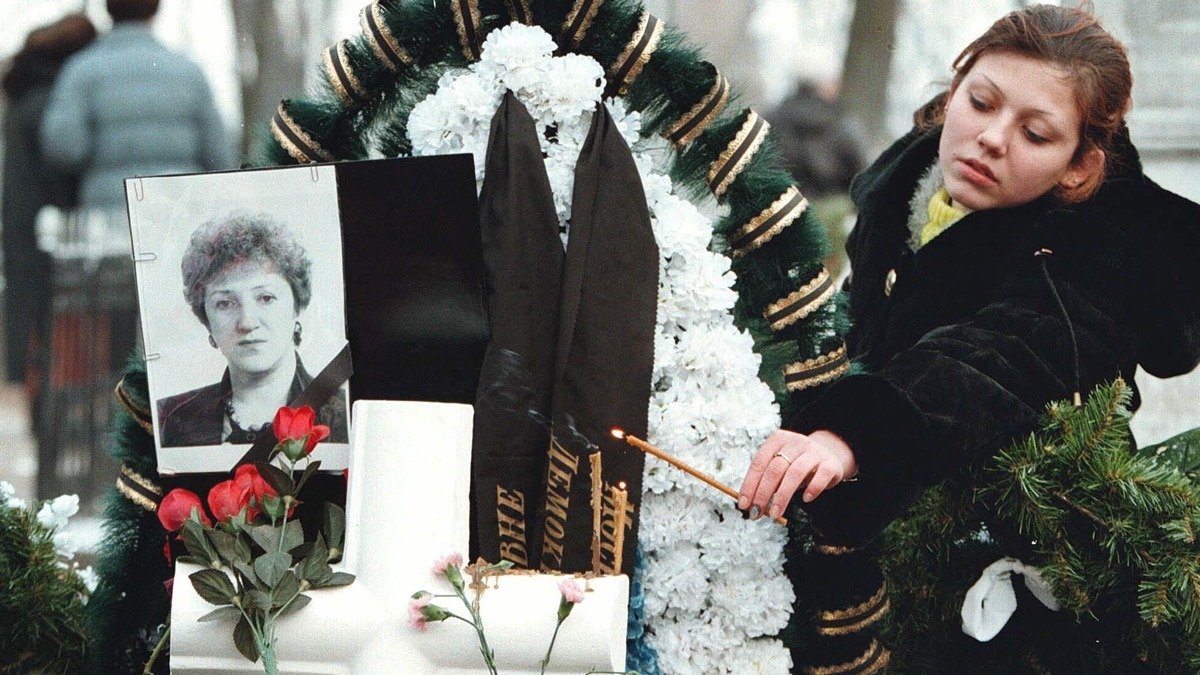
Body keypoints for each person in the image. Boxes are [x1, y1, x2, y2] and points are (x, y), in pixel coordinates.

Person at [738, 5, 1200, 671]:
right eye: (981, 103)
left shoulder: (1100, 258)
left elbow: (997, 355)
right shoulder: (902, 197)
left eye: (1035, 134)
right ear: (953, 91)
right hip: (871, 559)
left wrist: (853, 432)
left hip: (1020, 596)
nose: (991, 138)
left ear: (1078, 166)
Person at [155, 215, 347, 447]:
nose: (246, 322)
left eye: (265, 298)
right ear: (206, 320)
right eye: (225, 303)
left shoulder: (343, 417)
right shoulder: (174, 422)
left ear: (296, 307)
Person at [39, 0, 234, 218]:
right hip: (176, 217)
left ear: (109, 9)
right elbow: (219, 157)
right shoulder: (189, 73)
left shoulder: (81, 70)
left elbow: (64, 149)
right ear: (155, 10)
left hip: (109, 219)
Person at [1, 15, 96, 384]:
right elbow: (59, 168)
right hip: (51, 224)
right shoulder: (52, 102)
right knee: (54, 323)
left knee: (29, 317)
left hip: (21, 220)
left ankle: (28, 388)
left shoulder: (25, 96)